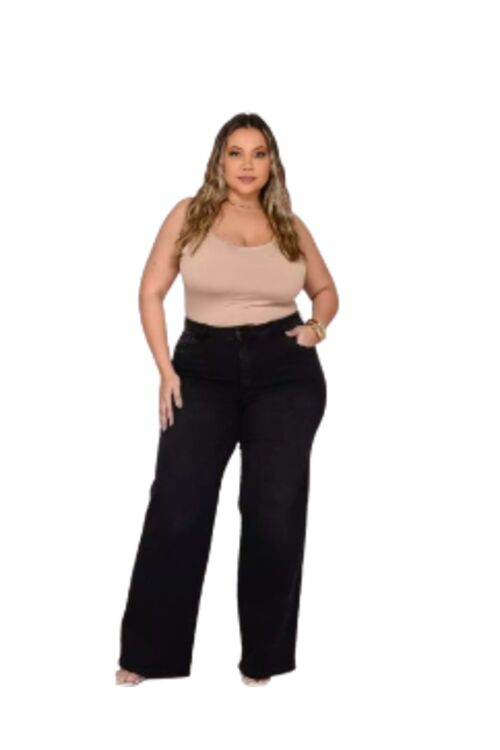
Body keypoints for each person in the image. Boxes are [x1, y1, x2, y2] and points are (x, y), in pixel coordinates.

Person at [115, 112, 339, 687]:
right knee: (178, 503)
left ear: (272, 163)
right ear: (219, 159)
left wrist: (316, 328)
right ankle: (148, 655)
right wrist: (165, 369)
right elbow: (151, 291)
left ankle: (264, 659)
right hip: (201, 367)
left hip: (284, 371)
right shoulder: (189, 213)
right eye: (236, 152)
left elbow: (325, 289)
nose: (247, 164)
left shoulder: (288, 223)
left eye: (259, 153)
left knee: (274, 511)